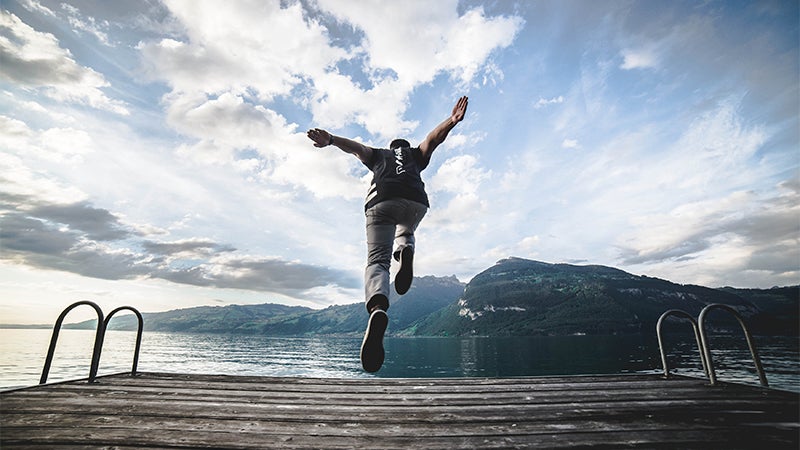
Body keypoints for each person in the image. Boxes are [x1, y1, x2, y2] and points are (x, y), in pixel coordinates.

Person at [307, 95, 469, 372]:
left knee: (378, 261)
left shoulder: (378, 154)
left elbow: (356, 148)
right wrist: (451, 121)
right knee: (406, 228)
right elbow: (433, 139)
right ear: (406, 147)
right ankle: (405, 249)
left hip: (382, 203)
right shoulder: (417, 155)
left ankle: (378, 307)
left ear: (390, 147)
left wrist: (331, 139)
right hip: (416, 202)